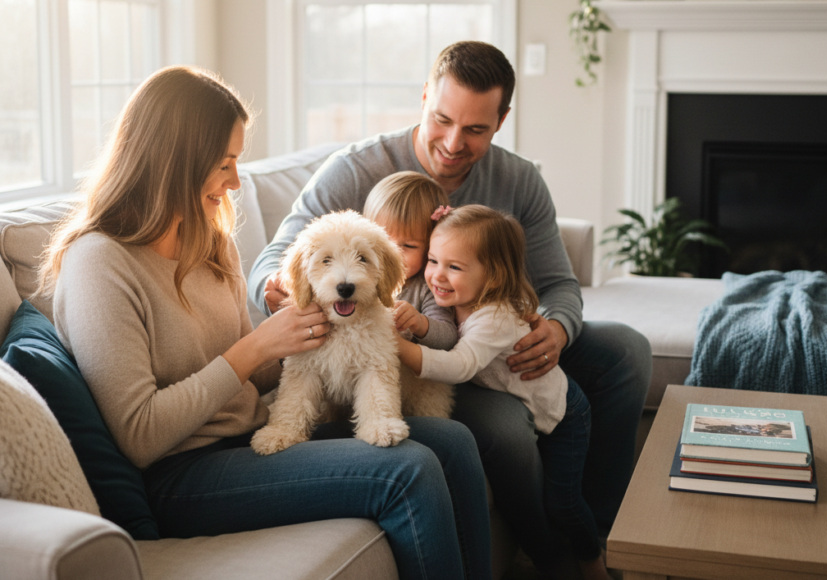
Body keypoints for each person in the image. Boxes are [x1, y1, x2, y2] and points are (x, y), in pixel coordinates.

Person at [39, 65, 492, 580]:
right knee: (408, 472)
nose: (235, 181)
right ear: (175, 160)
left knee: (452, 442)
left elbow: (253, 379)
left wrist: (313, 340)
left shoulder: (207, 240)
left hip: (247, 435)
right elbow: (140, 433)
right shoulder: (99, 263)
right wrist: (257, 347)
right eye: (224, 163)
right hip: (178, 475)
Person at [248, 41, 652, 573]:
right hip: (427, 364)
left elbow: (558, 283)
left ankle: (598, 537)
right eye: (442, 120)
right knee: (508, 428)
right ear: (423, 98)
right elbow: (279, 254)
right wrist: (276, 285)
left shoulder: (519, 180)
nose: (453, 144)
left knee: (626, 349)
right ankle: (552, 552)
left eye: (476, 130)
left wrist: (556, 328)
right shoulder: (356, 168)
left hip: (492, 339)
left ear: (502, 120)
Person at [397, 205, 611, 580]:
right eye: (432, 259)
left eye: (454, 267)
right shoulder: (458, 301)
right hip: (524, 402)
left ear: (493, 276)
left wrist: (395, 346)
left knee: (563, 503)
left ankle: (594, 563)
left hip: (563, 414)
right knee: (546, 494)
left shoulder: (492, 317)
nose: (436, 275)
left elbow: (459, 365)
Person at [362, 171, 457, 350]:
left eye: (409, 246)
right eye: (383, 240)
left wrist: (420, 323)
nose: (393, 254)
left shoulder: (427, 288)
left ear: (431, 248)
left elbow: (449, 338)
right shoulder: (355, 276)